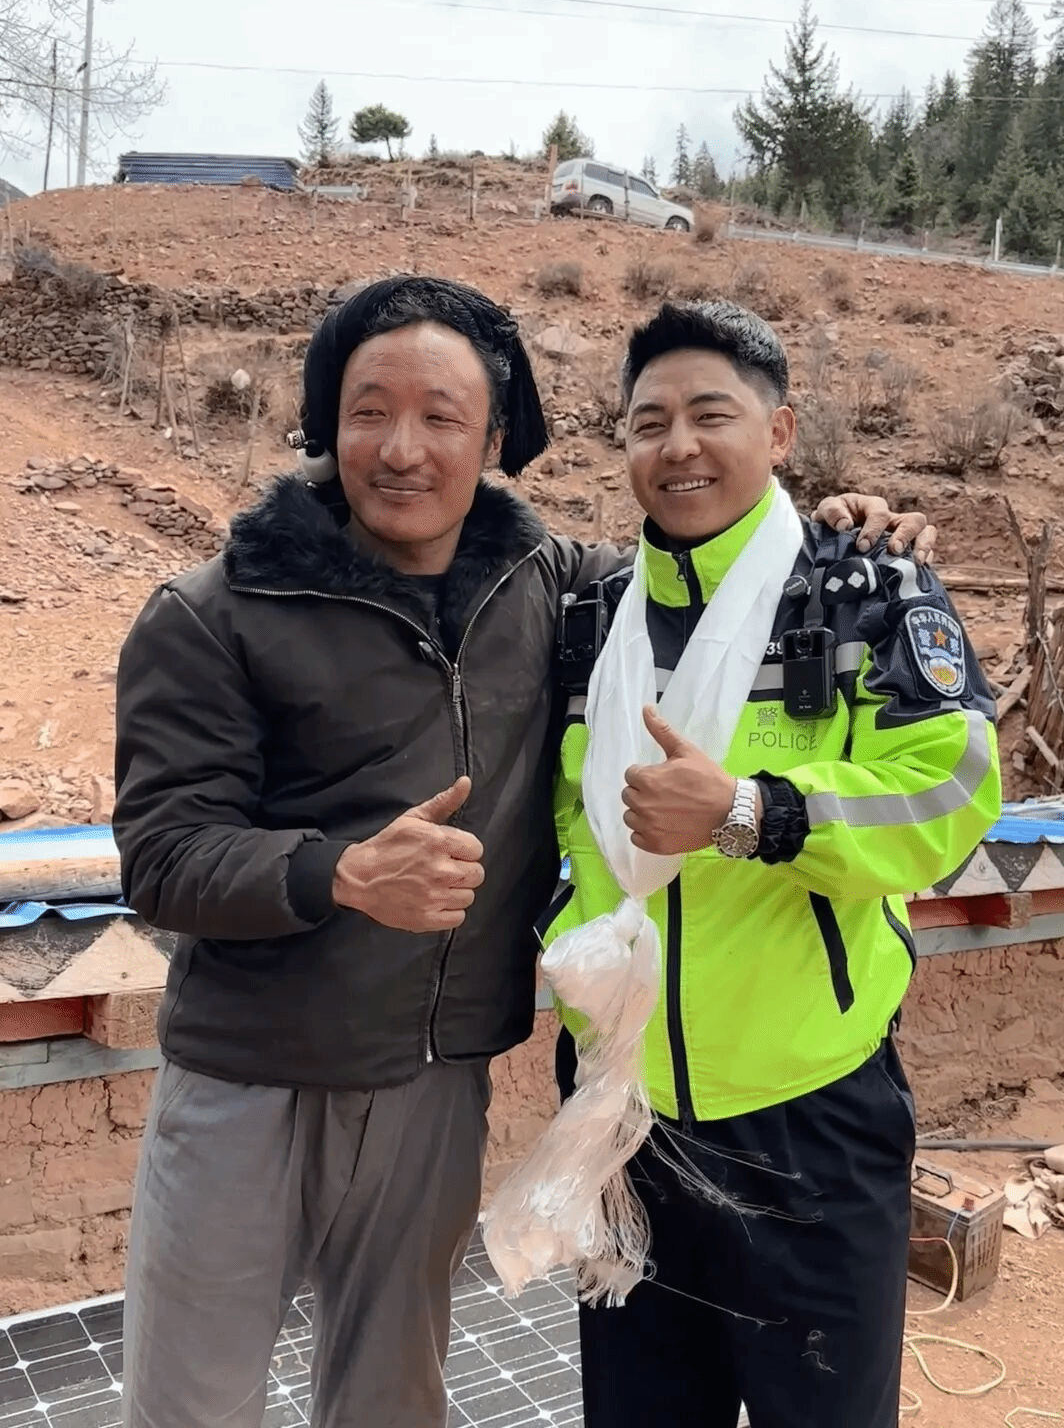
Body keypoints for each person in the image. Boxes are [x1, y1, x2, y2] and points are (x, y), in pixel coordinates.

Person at [111, 274, 936, 1428]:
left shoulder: (553, 591)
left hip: (435, 1085)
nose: (403, 449)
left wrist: (839, 537)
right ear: (326, 424)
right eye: (368, 412)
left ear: (495, 439)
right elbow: (160, 854)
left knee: (392, 1399)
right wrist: (338, 872)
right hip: (253, 1071)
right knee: (191, 1403)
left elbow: (707, 564)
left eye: (441, 416)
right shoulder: (212, 613)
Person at [546, 299, 1002, 1428]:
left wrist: (755, 810)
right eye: (649, 423)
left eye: (712, 415)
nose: (679, 446)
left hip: (811, 1125)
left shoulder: (865, 590)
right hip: (627, 1115)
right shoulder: (593, 617)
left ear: (780, 432)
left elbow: (952, 794)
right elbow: (565, 823)